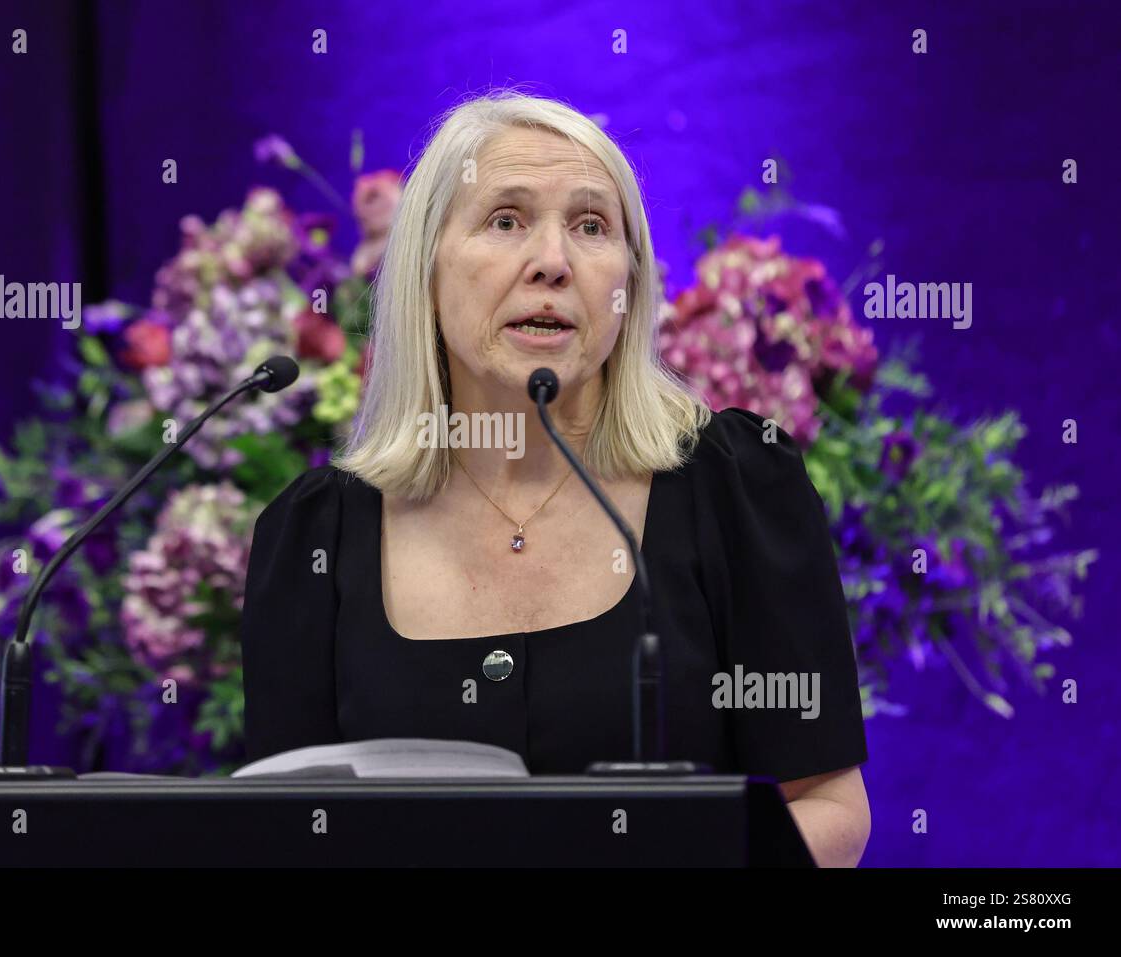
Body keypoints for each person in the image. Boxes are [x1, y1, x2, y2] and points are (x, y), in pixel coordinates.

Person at [240, 90, 870, 866]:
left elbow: (827, 807)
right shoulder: (315, 539)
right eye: (505, 220)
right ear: (425, 269)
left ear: (630, 283)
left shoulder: (735, 490)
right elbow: (283, 840)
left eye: (591, 225)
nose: (553, 261)